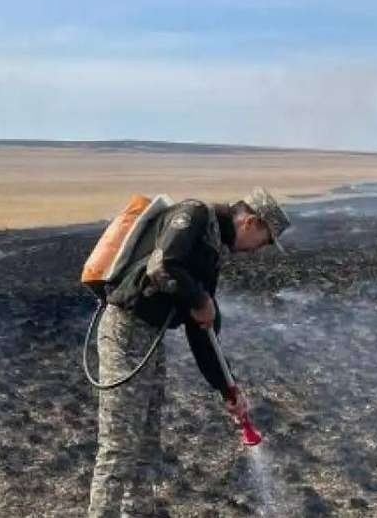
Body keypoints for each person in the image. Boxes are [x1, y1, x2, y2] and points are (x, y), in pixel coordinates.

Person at [87, 188, 290, 518]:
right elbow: (162, 266)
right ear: (251, 222)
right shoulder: (195, 215)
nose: (258, 252)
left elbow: (203, 331)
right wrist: (199, 300)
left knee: (145, 445)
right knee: (119, 446)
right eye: (265, 241)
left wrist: (228, 389)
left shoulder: (211, 251)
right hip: (125, 333)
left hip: (149, 341)